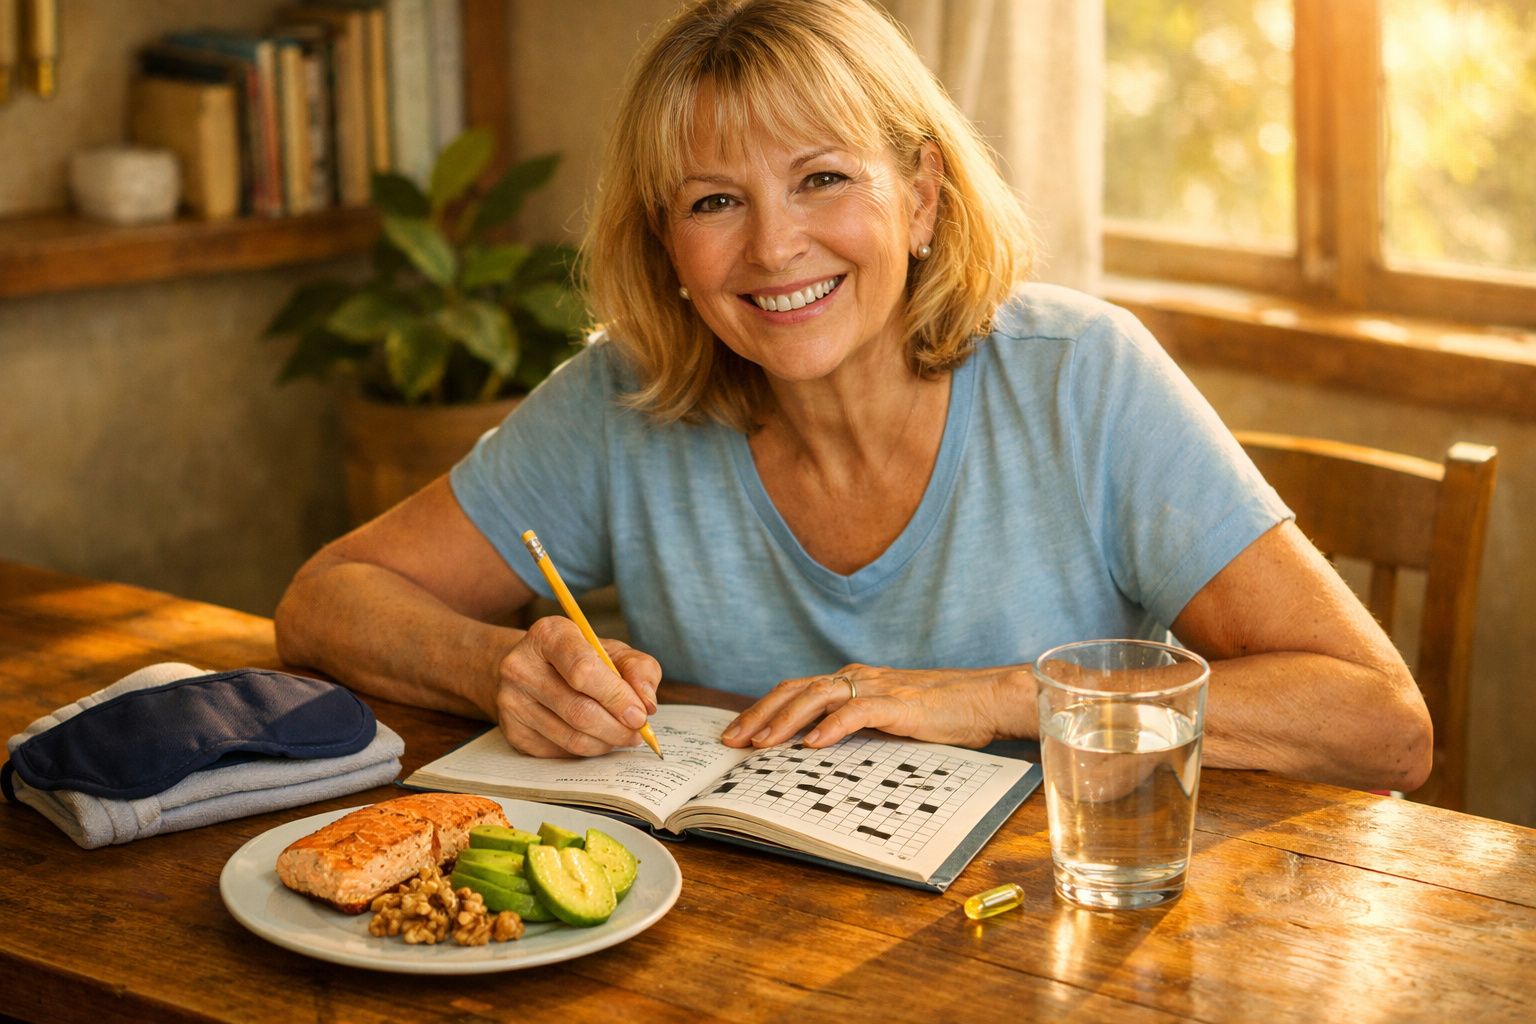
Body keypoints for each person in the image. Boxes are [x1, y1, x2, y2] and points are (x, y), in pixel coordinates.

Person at [274, 0, 1432, 792]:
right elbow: (328, 599)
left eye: (823, 179)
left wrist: (990, 699)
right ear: (666, 243)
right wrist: (500, 669)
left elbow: (1379, 721)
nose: (776, 249)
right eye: (715, 201)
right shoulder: (621, 399)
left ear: (921, 196)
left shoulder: (1084, 374)